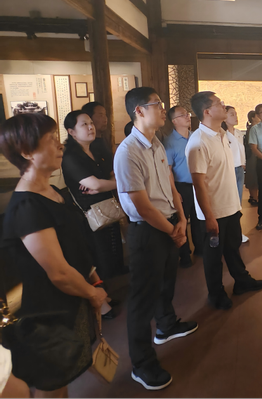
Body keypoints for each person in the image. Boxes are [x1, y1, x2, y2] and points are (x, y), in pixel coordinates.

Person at [0, 113, 108, 397]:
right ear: (26, 152)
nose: (59, 145)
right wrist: (92, 293)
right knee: (54, 383)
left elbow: (73, 245)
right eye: (50, 139)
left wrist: (92, 279)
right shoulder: (27, 206)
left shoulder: (52, 190)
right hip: (44, 315)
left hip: (68, 303)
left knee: (65, 376)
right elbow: (58, 272)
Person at [114, 87, 197, 391]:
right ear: (139, 111)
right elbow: (142, 206)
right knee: (141, 300)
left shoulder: (156, 143)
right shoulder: (127, 152)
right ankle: (142, 363)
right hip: (149, 231)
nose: (163, 109)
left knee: (166, 283)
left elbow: (170, 184)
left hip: (169, 223)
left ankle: (166, 325)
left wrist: (182, 218)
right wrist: (173, 229)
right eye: (157, 104)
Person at [186, 91, 262, 311]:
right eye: (218, 103)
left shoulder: (222, 134)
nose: (223, 105)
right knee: (213, 256)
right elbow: (198, 184)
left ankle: (241, 280)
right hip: (213, 212)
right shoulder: (198, 142)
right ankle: (216, 294)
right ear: (207, 111)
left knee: (232, 247)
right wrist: (209, 216)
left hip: (230, 206)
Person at [62, 111, 126, 283]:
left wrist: (106, 183)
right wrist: (109, 183)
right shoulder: (70, 157)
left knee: (113, 243)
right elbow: (95, 185)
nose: (91, 127)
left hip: (107, 204)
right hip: (88, 212)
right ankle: (103, 289)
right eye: (84, 124)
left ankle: (116, 277)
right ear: (72, 132)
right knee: (99, 251)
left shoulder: (97, 149)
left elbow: (114, 175)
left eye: (91, 123)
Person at [164, 106, 206, 266]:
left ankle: (200, 248)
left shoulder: (196, 137)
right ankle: (185, 255)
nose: (188, 117)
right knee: (182, 220)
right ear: (174, 121)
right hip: (182, 186)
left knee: (198, 218)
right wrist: (174, 191)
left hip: (198, 184)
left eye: (187, 114)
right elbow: (168, 170)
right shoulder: (169, 142)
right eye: (183, 115)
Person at [222, 105, 249, 243]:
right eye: (232, 114)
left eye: (236, 113)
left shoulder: (238, 133)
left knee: (238, 202)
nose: (236, 116)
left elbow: (241, 151)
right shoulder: (222, 133)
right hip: (228, 170)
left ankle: (237, 232)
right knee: (229, 202)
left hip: (239, 169)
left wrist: (243, 163)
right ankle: (231, 233)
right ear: (224, 117)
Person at [244, 110, 260, 205]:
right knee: (253, 176)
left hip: (256, 156)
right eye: (257, 116)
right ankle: (254, 197)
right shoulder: (252, 130)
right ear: (253, 118)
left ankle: (254, 196)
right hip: (252, 156)